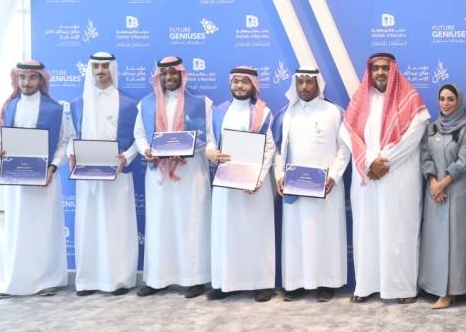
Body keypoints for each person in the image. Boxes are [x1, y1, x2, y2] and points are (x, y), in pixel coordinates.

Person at [341, 53, 430, 304]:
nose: (380, 72)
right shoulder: (361, 99)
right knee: (366, 230)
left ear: (393, 70)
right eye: (375, 68)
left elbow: (413, 136)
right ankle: (366, 285)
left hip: (398, 177)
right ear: (369, 72)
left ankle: (403, 289)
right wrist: (370, 161)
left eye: (385, 68)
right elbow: (348, 133)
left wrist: (384, 161)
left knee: (399, 231)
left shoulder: (409, 98)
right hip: (367, 178)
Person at [133, 56, 214, 298]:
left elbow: (210, 137)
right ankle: (158, 279)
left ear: (181, 74)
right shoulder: (145, 104)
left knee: (191, 223)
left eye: (173, 73)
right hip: (159, 175)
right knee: (160, 223)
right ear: (159, 77)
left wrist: (188, 148)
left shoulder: (201, 102)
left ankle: (194, 279)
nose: (169, 77)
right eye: (165, 74)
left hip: (191, 172)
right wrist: (146, 150)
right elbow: (139, 134)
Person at [0, 61, 71, 298]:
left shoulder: (55, 110)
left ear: (41, 80)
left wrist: (53, 167)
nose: (26, 82)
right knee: (18, 229)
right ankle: (16, 281)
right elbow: (2, 138)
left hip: (45, 179)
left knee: (44, 228)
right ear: (17, 79)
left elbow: (64, 142)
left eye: (32, 77)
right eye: (22, 77)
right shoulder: (9, 106)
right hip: (16, 181)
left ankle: (48, 280)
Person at [273, 67, 351, 303]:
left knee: (326, 234)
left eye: (309, 82)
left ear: (319, 84)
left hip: (327, 188)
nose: (304, 87)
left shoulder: (334, 112)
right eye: (300, 82)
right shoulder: (287, 114)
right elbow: (278, 149)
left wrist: (334, 176)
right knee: (296, 236)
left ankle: (327, 283)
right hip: (295, 188)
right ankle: (295, 284)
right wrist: (279, 175)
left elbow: (344, 149)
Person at [66, 52, 139, 296]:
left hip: (118, 175)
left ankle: (118, 280)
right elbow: (71, 136)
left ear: (112, 69)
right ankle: (87, 280)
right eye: (96, 66)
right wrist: (71, 154)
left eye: (105, 66)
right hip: (86, 176)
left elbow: (139, 138)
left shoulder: (129, 103)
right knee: (88, 226)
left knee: (117, 225)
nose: (100, 71)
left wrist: (125, 157)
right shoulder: (78, 104)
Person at [206, 66, 276, 302]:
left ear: (253, 85)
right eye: (236, 81)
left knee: (256, 232)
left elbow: (269, 147)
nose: (239, 86)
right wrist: (211, 153)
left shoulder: (263, 113)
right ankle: (225, 282)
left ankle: (261, 283)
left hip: (254, 186)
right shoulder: (218, 112)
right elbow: (209, 141)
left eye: (244, 82)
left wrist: (258, 177)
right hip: (226, 184)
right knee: (226, 232)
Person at [419, 83, 466, 309]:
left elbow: (464, 160)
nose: (446, 103)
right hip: (435, 193)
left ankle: (450, 291)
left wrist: (443, 184)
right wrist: (433, 182)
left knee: (455, 243)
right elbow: (425, 156)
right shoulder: (432, 128)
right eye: (442, 99)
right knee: (435, 241)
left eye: (451, 99)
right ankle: (433, 286)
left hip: (457, 193)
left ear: (458, 101)